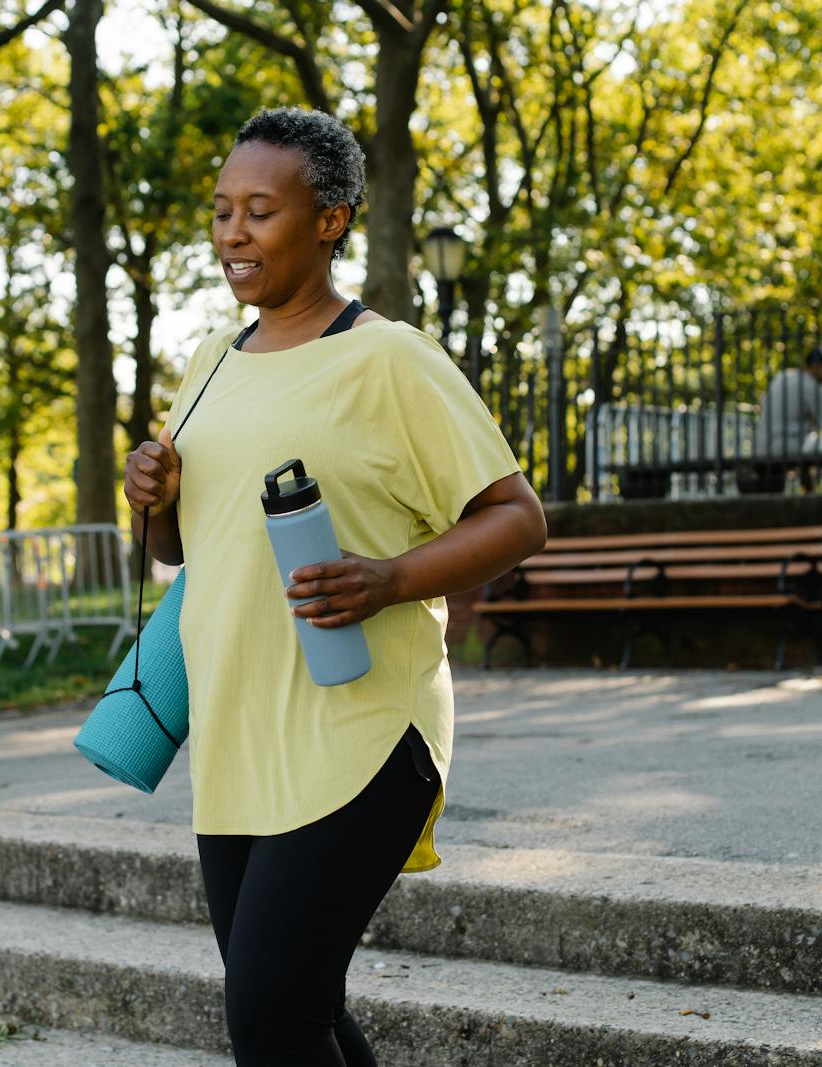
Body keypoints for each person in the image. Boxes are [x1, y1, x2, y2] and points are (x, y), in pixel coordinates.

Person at [122, 107, 547, 1067]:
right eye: (223, 209)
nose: (232, 231)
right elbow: (183, 552)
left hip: (361, 733)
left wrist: (391, 578)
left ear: (331, 218)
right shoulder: (209, 364)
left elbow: (518, 517)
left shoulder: (388, 357)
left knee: (271, 1016)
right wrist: (148, 497)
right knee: (293, 1010)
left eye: (260, 210)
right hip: (235, 739)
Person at [752, 345, 822, 490]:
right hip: (790, 449)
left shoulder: (782, 376)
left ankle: (808, 493)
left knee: (807, 441)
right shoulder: (816, 388)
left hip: (762, 448)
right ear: (818, 367)